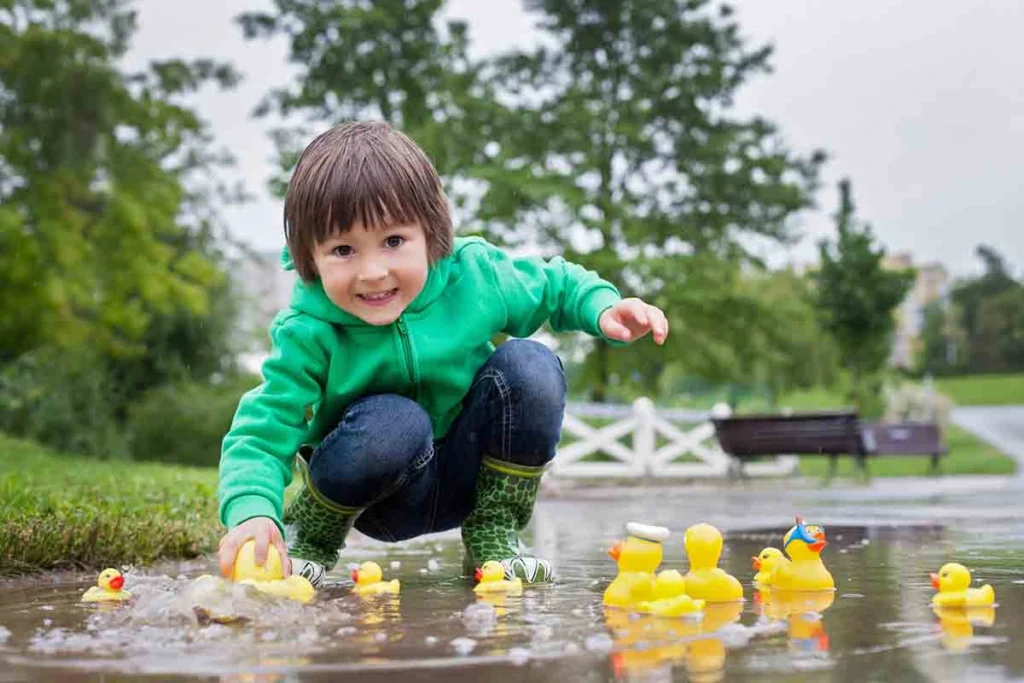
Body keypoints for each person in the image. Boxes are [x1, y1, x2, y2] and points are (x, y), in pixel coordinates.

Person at [216, 121, 669, 587]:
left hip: (467, 476)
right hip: (376, 495)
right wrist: (252, 511)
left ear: (431, 233)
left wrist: (603, 307)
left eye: (394, 241)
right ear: (309, 257)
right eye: (343, 250)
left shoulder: (474, 275)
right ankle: (311, 536)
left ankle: (494, 533)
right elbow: (263, 429)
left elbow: (555, 284)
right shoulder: (308, 331)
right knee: (396, 419)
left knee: (531, 365)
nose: (373, 272)